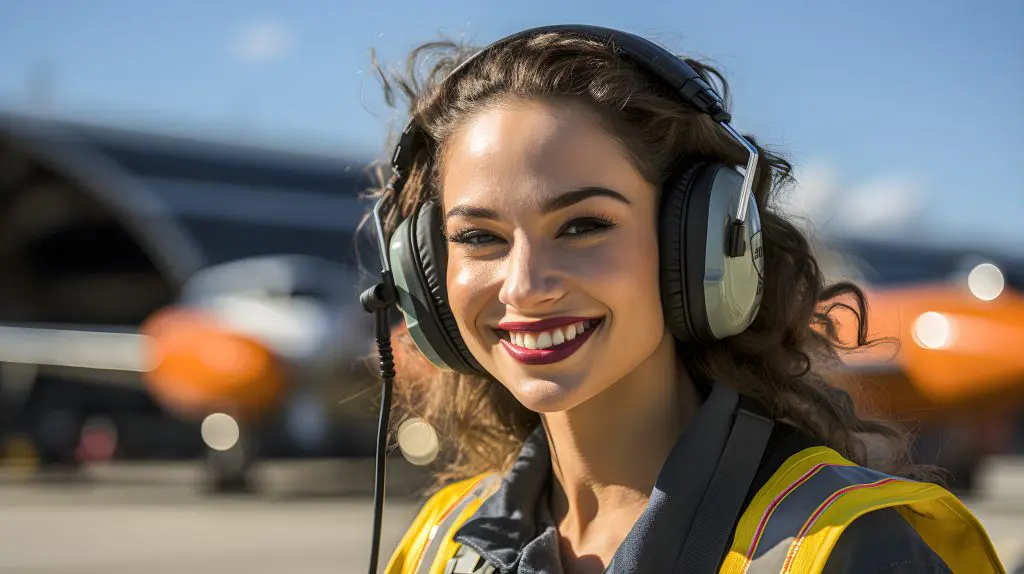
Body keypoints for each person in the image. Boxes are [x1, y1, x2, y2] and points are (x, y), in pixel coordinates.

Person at [361, 25, 1004, 574]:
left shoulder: (846, 547)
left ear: (699, 244)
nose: (525, 285)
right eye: (479, 237)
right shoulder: (438, 544)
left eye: (584, 225)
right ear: (424, 276)